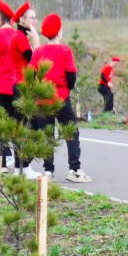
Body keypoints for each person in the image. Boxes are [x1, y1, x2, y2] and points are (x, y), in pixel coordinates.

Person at [27, 13, 90, 183]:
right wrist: (66, 88)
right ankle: (74, 169)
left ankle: (48, 171)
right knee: (71, 132)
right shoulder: (65, 51)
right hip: (61, 98)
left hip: (42, 100)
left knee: (47, 135)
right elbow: (71, 76)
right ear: (59, 31)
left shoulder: (38, 51)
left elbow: (32, 75)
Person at [0, 0, 34, 166]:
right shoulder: (19, 35)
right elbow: (29, 58)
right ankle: (21, 163)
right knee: (17, 125)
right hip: (14, 86)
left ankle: (0, 162)